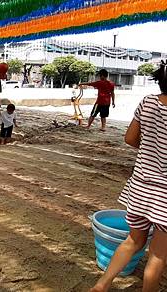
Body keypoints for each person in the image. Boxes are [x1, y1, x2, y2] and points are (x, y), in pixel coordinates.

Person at [90, 62, 167, 292]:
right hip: (164, 196)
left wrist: (150, 151)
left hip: (140, 187)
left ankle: (102, 285)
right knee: (158, 255)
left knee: (133, 241)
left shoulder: (148, 102)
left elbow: (130, 138)